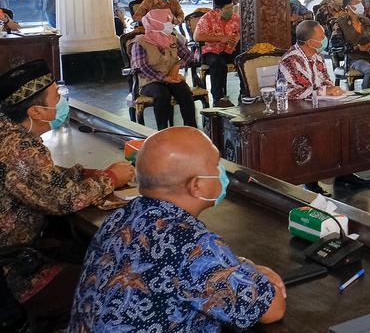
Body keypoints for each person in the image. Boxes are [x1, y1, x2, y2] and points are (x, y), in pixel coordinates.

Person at [69, 127, 286, 331]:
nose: (221, 171)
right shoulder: (191, 245)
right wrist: (248, 269)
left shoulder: (120, 216)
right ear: (196, 185)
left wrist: (235, 265)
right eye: (216, 165)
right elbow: (272, 308)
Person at [0, 60, 133, 330]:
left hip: (21, 250)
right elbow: (62, 200)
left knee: (91, 250)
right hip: (13, 271)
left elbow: (40, 178)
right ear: (36, 111)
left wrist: (82, 173)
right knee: (115, 287)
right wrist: (111, 178)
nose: (61, 101)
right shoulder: (20, 148)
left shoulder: (8, 132)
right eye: (56, 97)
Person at [277, 21, 366, 194]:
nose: (325, 38)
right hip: (298, 110)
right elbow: (291, 92)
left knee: (345, 123)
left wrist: (332, 89)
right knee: (317, 131)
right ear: (309, 41)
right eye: (322, 36)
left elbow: (325, 79)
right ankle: (310, 179)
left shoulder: (317, 56)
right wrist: (323, 91)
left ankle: (344, 172)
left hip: (319, 105)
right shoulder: (291, 60)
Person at [130, 8, 196, 129]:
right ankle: (163, 130)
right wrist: (164, 78)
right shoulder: (139, 43)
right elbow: (142, 67)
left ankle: (191, 128)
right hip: (150, 81)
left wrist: (178, 65)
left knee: (185, 92)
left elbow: (189, 56)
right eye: (166, 22)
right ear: (155, 24)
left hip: (171, 77)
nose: (170, 25)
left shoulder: (172, 39)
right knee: (162, 94)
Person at [193, 0, 241, 108]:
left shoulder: (235, 17)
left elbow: (241, 31)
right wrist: (220, 38)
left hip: (228, 50)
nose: (231, 10)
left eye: (232, 6)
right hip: (209, 51)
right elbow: (197, 36)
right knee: (218, 63)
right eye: (228, 8)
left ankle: (245, 94)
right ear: (218, 10)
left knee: (243, 58)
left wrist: (237, 38)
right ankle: (218, 98)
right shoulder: (207, 18)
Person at [337, 0, 370, 89]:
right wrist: (358, 48)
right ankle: (365, 93)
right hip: (355, 59)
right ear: (347, 6)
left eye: (360, 2)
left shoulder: (365, 20)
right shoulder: (340, 24)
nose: (360, 5)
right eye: (356, 3)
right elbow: (337, 46)